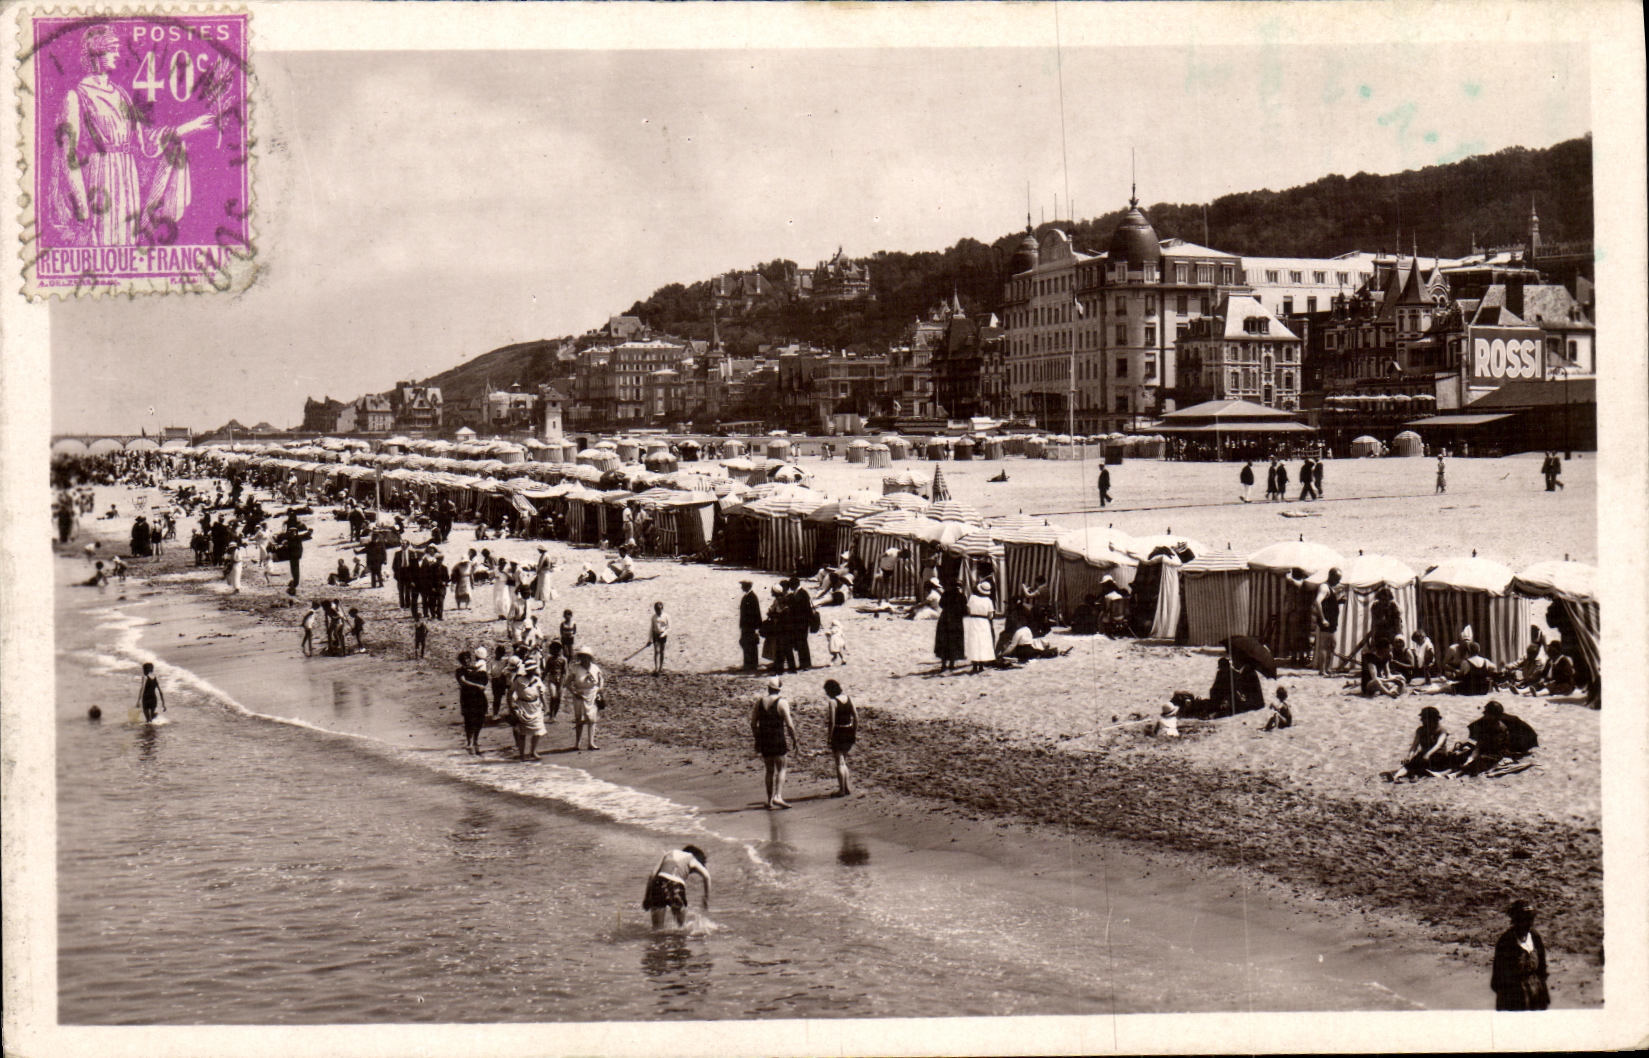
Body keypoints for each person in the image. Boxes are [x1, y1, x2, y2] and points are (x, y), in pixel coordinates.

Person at [1491, 901, 1550, 1011]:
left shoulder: (1535, 937)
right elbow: (1498, 978)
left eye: (1530, 919)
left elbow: (1542, 969)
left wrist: (1542, 993)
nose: (1528, 924)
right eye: (1524, 920)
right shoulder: (1506, 942)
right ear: (1515, 921)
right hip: (1514, 997)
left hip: (1536, 993)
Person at [750, 677, 798, 809]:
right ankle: (778, 796)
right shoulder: (782, 702)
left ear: (768, 688)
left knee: (769, 770)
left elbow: (753, 723)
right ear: (779, 689)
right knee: (782, 768)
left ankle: (770, 800)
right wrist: (794, 739)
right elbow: (789, 725)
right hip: (778, 739)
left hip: (765, 740)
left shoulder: (759, 702)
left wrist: (757, 739)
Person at [641, 845, 711, 931]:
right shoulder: (692, 858)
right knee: (681, 929)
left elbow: (652, 875)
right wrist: (706, 898)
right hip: (676, 887)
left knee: (657, 930)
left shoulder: (669, 853)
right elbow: (707, 876)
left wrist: (647, 897)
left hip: (658, 884)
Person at [1390, 705, 1451, 780]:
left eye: (1424, 719)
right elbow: (1414, 746)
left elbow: (1438, 745)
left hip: (1438, 756)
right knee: (1411, 763)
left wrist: (1428, 754)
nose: (1422, 721)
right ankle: (1396, 776)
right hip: (1424, 755)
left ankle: (1413, 774)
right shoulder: (1420, 730)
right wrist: (1409, 756)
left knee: (1420, 764)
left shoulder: (1442, 731)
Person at [563, 646, 605, 751]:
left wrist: (600, 689)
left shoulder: (595, 668)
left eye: (586, 657)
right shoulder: (575, 668)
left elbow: (601, 679)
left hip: (592, 694)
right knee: (579, 719)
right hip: (580, 695)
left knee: (592, 719)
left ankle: (591, 743)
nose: (584, 659)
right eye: (582, 657)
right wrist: (574, 692)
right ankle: (577, 743)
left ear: (590, 658)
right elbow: (567, 683)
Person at [823, 678, 857, 796]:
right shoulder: (849, 699)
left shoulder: (833, 702)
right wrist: (854, 731)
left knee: (839, 763)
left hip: (838, 731)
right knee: (844, 761)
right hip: (849, 730)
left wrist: (829, 737)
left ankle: (842, 790)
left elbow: (832, 722)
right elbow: (856, 717)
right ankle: (846, 787)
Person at [508, 665, 549, 761]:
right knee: (522, 732)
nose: (531, 671)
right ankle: (522, 754)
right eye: (529, 670)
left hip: (536, 706)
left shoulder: (537, 680)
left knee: (538, 730)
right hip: (523, 707)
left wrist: (545, 705)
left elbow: (542, 694)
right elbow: (510, 692)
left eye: (533, 670)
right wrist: (511, 705)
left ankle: (533, 751)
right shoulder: (519, 680)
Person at [456, 651, 490, 755]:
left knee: (480, 719)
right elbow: (463, 681)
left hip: (479, 697)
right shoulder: (460, 671)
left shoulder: (478, 670)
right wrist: (477, 685)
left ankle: (476, 740)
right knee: (469, 720)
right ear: (461, 661)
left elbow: (485, 680)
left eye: (468, 659)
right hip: (467, 698)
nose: (466, 661)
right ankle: (469, 742)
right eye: (464, 660)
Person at [1313, 568, 1343, 676]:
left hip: (1332, 621)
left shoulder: (1330, 587)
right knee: (1324, 646)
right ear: (1331, 576)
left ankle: (1328, 668)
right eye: (1337, 579)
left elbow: (1328, 603)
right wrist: (1322, 619)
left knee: (1332, 645)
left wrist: (1338, 601)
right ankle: (1322, 670)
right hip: (1326, 621)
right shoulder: (1324, 587)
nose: (1338, 581)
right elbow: (1317, 602)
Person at [962, 581, 997, 675]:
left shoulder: (972, 598)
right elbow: (991, 615)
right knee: (983, 642)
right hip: (984, 622)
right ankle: (981, 666)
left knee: (974, 642)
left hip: (974, 621)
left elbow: (968, 610)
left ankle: (974, 666)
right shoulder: (988, 601)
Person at [934, 578, 967, 671]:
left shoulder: (946, 594)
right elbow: (965, 610)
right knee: (954, 641)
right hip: (956, 621)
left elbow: (941, 604)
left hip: (945, 619)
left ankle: (943, 664)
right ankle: (952, 664)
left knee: (944, 641)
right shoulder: (962, 596)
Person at [738, 580, 762, 672]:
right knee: (746, 644)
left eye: (743, 586)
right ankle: (748, 664)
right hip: (746, 626)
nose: (741, 588)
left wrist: (756, 626)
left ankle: (751, 665)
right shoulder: (747, 596)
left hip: (750, 626)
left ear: (747, 586)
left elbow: (756, 613)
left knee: (750, 645)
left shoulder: (752, 597)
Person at [649, 600, 670, 675]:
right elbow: (651, 628)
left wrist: (663, 634)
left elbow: (669, 628)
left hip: (663, 635)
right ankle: (656, 668)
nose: (658, 611)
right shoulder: (653, 617)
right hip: (655, 634)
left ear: (662, 609)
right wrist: (650, 639)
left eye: (659, 610)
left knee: (662, 651)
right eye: (656, 610)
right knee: (656, 651)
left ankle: (661, 667)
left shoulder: (666, 616)